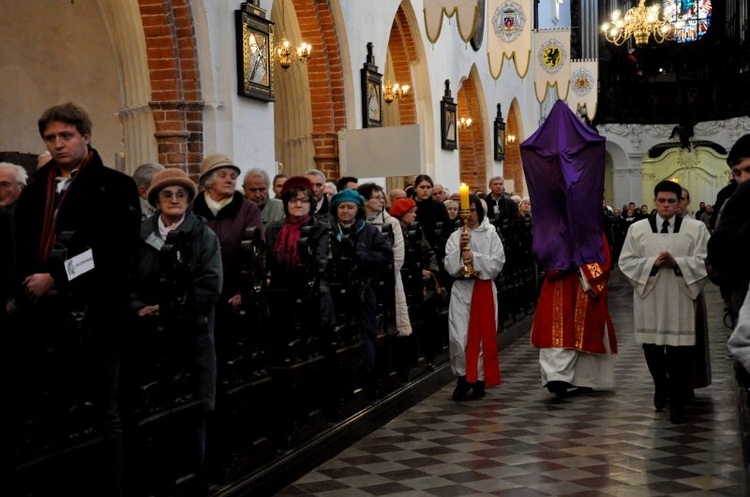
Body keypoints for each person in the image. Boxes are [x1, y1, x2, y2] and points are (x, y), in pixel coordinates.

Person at [12, 102, 141, 495]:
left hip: (98, 313)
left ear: (85, 136)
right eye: (50, 138)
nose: (57, 144)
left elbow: (111, 251)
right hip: (43, 316)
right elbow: (20, 247)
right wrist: (25, 285)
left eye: (65, 136)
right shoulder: (35, 189)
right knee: (53, 412)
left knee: (104, 412)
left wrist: (57, 278)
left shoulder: (115, 185)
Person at [130, 167, 221, 487]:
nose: (174, 200)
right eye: (167, 194)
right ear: (155, 199)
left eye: (180, 194)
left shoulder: (203, 234)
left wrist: (169, 308)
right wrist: (138, 307)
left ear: (189, 200)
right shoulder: (140, 233)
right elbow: (127, 280)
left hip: (190, 332)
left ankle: (194, 473)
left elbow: (211, 284)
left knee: (192, 404)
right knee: (152, 404)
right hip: (147, 332)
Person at [619, 180, 710, 424]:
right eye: (662, 201)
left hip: (680, 297)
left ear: (680, 201)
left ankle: (678, 403)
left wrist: (678, 263)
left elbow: (705, 261)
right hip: (650, 296)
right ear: (655, 200)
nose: (666, 206)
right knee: (652, 349)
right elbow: (625, 262)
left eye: (672, 201)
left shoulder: (696, 228)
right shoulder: (637, 229)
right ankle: (661, 386)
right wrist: (652, 264)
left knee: (680, 354)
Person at [531, 232, 617, 398]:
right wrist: (558, 264)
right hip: (558, 284)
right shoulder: (553, 227)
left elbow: (603, 260)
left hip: (583, 286)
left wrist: (579, 265)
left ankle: (584, 379)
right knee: (554, 329)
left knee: (585, 331)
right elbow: (543, 254)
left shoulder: (592, 229)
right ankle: (556, 377)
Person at [329, 189, 393, 396]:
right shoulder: (328, 230)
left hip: (364, 286)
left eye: (350, 207)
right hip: (336, 288)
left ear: (357, 210)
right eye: (342, 207)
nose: (346, 211)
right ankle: (343, 383)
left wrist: (360, 256)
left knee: (366, 330)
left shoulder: (368, 230)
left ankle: (368, 378)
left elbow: (385, 256)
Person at [444, 195, 505, 401]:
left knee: (481, 337)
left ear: (479, 211)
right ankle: (462, 376)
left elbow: (498, 263)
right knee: (459, 337)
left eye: (471, 210)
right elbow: (449, 266)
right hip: (462, 288)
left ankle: (478, 379)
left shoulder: (490, 235)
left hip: (483, 287)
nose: (468, 215)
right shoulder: (455, 236)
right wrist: (461, 250)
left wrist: (475, 258)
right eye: (465, 211)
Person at [391, 197, 442, 371]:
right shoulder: (394, 231)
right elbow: (400, 259)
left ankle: (429, 357)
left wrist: (430, 270)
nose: (414, 215)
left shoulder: (416, 230)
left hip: (423, 283)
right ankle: (412, 362)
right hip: (408, 283)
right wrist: (417, 272)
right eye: (411, 212)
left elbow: (429, 252)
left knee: (428, 320)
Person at [358, 182, 410, 338]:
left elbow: (398, 256)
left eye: (383, 197)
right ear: (365, 201)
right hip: (364, 280)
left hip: (388, 279)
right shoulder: (358, 223)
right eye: (377, 197)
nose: (382, 200)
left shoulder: (391, 222)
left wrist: (383, 275)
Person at [708, 134, 750, 325]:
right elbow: (717, 260)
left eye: (749, 170)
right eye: (737, 173)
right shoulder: (730, 203)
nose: (744, 179)